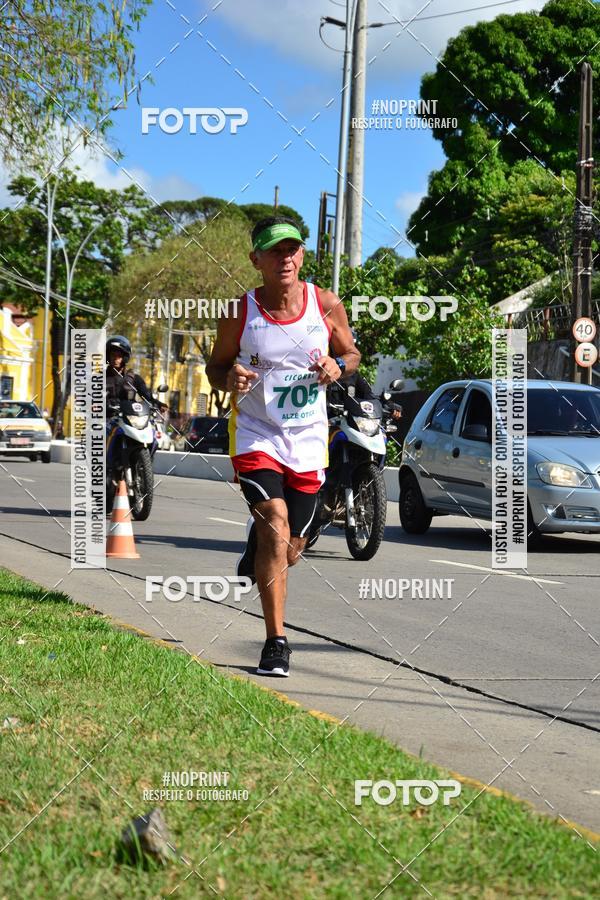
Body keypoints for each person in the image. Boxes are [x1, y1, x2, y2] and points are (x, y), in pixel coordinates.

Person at [207, 216, 359, 677]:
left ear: (302, 255)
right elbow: (215, 368)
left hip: (309, 437)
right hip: (257, 432)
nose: (285, 257)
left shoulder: (325, 304)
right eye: (275, 251)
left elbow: (352, 354)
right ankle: (276, 642)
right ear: (256, 260)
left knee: (291, 545)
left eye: (292, 249)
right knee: (276, 522)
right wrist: (228, 376)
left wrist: (339, 365)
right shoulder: (240, 312)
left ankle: (259, 544)